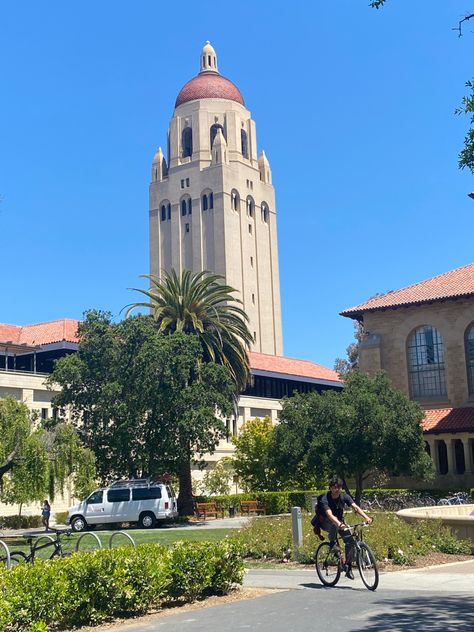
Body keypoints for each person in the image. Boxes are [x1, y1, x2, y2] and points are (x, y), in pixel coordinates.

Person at [312, 476, 372, 580]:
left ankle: (348, 567)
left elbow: (355, 507)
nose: (337, 490)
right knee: (334, 524)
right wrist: (339, 524)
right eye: (335, 487)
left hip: (339, 521)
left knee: (350, 540)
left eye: (339, 487)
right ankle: (332, 543)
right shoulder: (324, 498)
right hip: (325, 522)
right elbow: (329, 515)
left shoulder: (344, 496)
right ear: (330, 488)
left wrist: (367, 518)